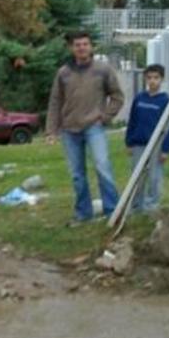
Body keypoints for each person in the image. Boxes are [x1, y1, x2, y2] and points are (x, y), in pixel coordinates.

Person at [46, 31, 125, 224]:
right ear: (72, 48)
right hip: (69, 130)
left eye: (85, 44)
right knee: (77, 175)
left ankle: (112, 210)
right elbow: (55, 102)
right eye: (77, 45)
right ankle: (83, 213)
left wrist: (105, 116)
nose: (81, 48)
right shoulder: (63, 73)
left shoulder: (103, 70)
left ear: (91, 47)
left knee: (102, 166)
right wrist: (51, 131)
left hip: (94, 127)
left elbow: (117, 96)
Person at [124, 64, 169, 213]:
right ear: (145, 79)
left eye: (156, 78)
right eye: (149, 77)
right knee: (137, 177)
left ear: (161, 79)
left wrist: (165, 149)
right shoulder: (139, 98)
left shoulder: (165, 100)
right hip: (138, 144)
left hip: (156, 146)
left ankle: (152, 205)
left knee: (154, 177)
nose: (152, 81)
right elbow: (132, 120)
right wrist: (129, 141)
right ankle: (136, 205)